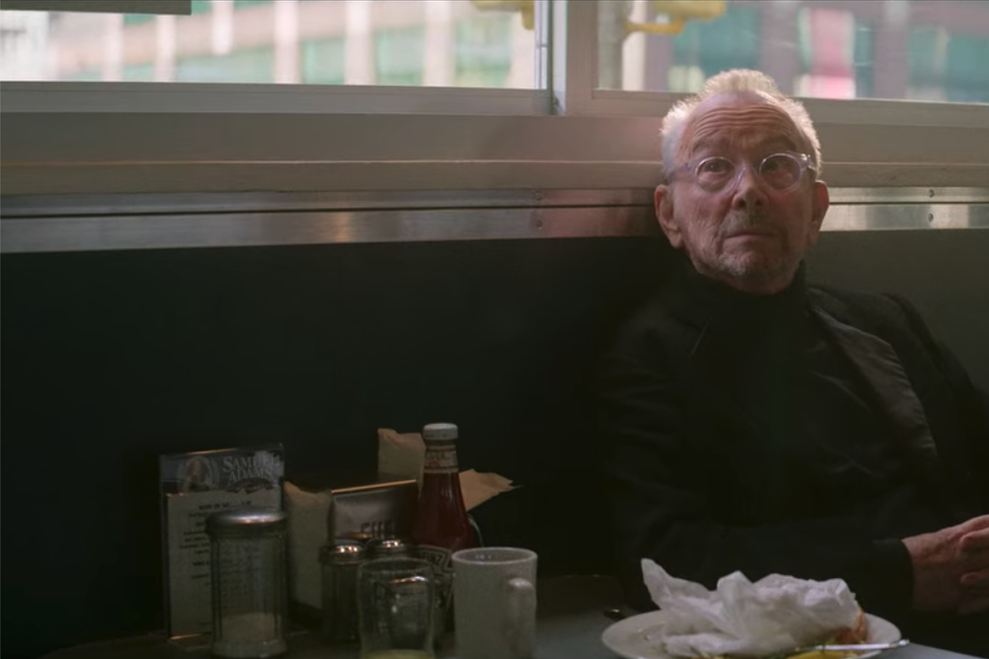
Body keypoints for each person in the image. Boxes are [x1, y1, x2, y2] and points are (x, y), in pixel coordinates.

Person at [596, 69, 989, 656]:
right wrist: (900, 570)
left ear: (816, 211)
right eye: (713, 168)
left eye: (777, 165)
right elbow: (668, 557)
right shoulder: (647, 360)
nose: (747, 191)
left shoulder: (885, 323)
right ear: (669, 215)